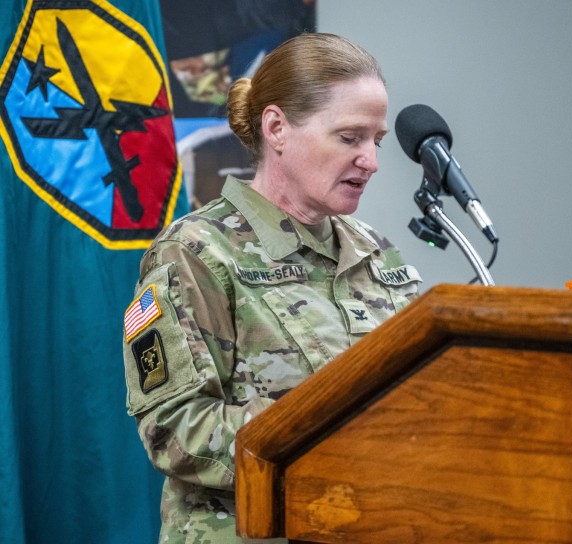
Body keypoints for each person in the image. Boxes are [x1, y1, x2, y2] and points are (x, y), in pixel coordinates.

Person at [122, 32, 423, 543]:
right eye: (350, 138)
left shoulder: (376, 250)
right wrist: (335, 432)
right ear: (277, 127)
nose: (370, 161)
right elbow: (174, 429)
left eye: (377, 141)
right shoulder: (196, 252)